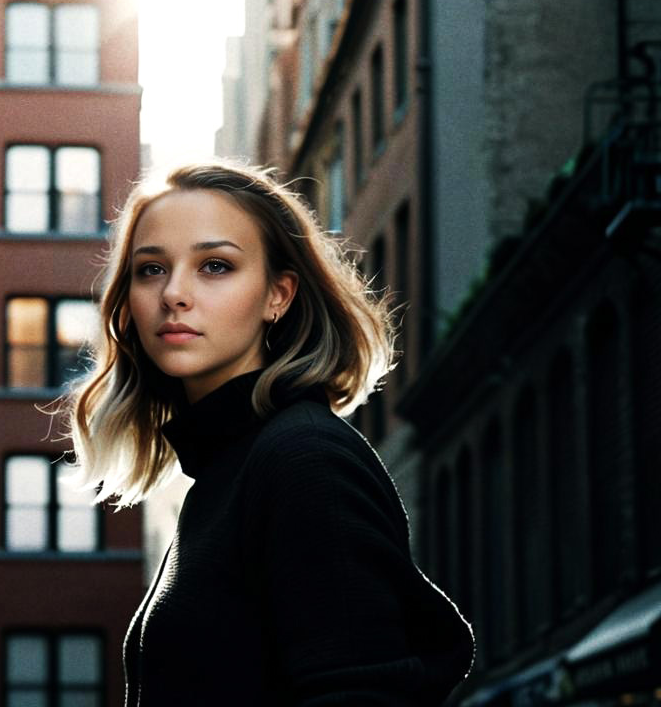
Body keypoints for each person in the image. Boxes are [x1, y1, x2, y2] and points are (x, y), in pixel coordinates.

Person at [62, 161, 474, 706]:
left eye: (214, 266)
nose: (174, 294)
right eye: (151, 270)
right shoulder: (224, 470)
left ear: (278, 295)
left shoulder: (304, 459)